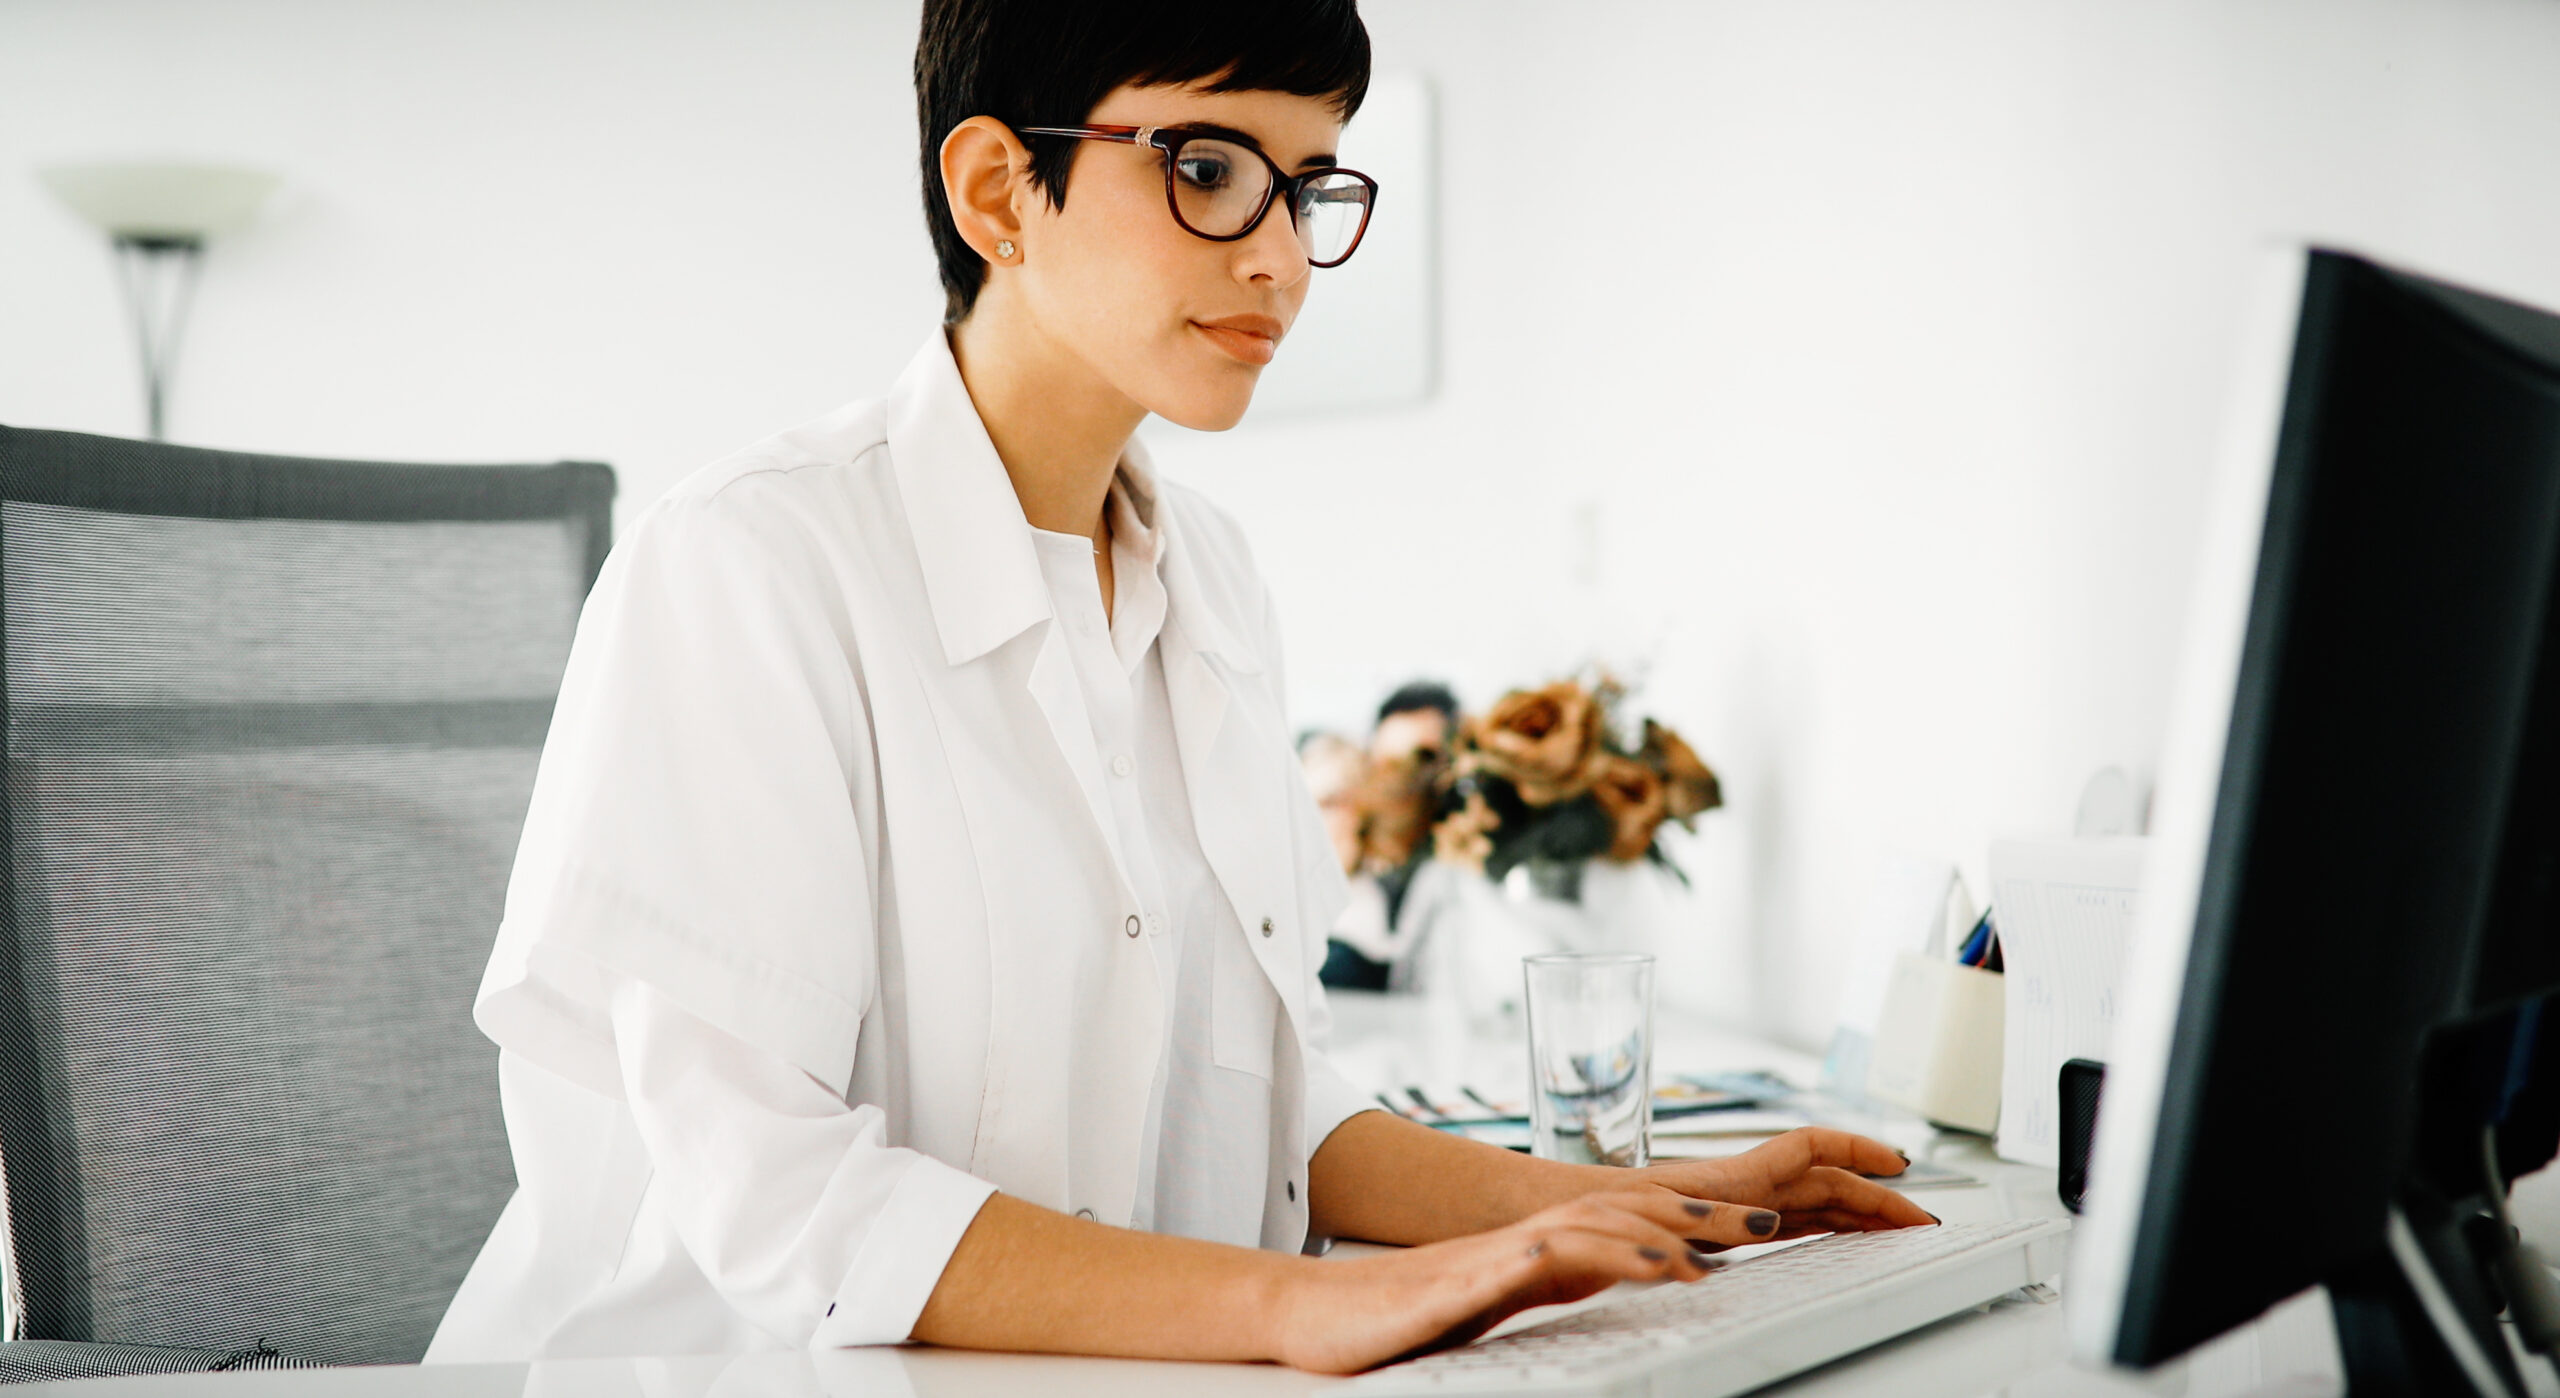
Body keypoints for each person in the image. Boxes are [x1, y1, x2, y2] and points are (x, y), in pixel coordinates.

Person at [425, 0, 1932, 1375]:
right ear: (1000, 191)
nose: (1280, 254)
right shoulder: (748, 567)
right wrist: (1306, 1305)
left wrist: (1622, 1200)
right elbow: (784, 1199)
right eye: (1210, 169)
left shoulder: (1211, 580)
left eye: (1313, 181)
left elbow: (1279, 1112)